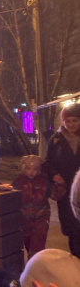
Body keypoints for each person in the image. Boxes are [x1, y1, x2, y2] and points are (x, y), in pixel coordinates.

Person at [45, 103, 80, 258]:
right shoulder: (56, 140)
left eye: (75, 120)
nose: (71, 124)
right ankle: (76, 259)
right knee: (72, 228)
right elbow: (48, 162)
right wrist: (54, 175)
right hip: (65, 190)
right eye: (68, 121)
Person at [13, 155, 55, 260]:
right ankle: (33, 262)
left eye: (35, 169)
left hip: (41, 216)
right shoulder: (18, 181)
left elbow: (54, 194)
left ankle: (35, 263)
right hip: (24, 218)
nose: (31, 172)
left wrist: (59, 185)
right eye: (28, 168)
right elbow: (12, 197)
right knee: (27, 241)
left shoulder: (44, 181)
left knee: (38, 242)